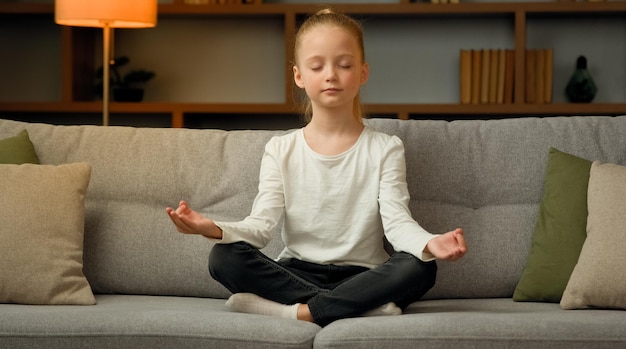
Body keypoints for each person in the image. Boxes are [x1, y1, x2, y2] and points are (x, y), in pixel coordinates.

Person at [166, 8, 467, 327]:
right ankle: (357, 306)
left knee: (421, 266)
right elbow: (260, 227)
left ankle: (299, 311)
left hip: (366, 274)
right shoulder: (281, 149)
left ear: (363, 72)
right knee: (223, 257)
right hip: (298, 270)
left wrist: (428, 242)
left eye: (345, 65)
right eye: (317, 65)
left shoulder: (385, 148)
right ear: (299, 76)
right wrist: (211, 227)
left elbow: (397, 223)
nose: (331, 75)